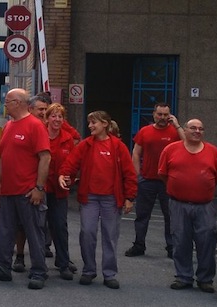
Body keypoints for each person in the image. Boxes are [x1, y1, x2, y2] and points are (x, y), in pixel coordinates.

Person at [0, 89, 49, 290]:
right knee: (5, 231)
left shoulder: (35, 126)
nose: (4, 104)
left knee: (34, 232)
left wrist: (39, 188)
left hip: (27, 191)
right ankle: (2, 267)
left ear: (18, 103)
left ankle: (38, 271)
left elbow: (45, 157)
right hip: (8, 191)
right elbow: (3, 156)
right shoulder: (9, 125)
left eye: (7, 101)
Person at [58, 110, 137, 289]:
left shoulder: (118, 146)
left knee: (110, 236)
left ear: (105, 124)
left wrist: (130, 197)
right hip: (90, 197)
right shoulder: (85, 145)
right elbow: (70, 163)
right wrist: (63, 174)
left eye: (94, 122)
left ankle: (109, 274)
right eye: (89, 123)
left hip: (111, 198)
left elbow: (129, 173)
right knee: (87, 233)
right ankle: (89, 270)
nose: (90, 126)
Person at [157, 119, 217, 294]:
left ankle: (205, 279)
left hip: (205, 206)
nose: (197, 131)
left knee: (207, 241)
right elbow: (162, 174)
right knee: (180, 240)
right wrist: (178, 187)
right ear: (184, 130)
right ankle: (183, 277)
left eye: (201, 128)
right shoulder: (170, 149)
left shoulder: (213, 151)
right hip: (178, 204)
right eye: (193, 128)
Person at [125, 103, 185, 258]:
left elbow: (187, 143)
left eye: (166, 115)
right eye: (160, 114)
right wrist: (137, 175)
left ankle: (171, 247)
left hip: (168, 181)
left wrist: (177, 126)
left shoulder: (175, 132)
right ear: (154, 114)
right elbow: (136, 153)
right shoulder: (145, 131)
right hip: (147, 180)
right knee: (142, 215)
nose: (163, 118)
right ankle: (139, 245)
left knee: (170, 216)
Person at [43, 103, 76, 280]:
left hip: (59, 190)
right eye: (54, 116)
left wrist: (66, 175)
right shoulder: (39, 134)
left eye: (60, 117)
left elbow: (70, 162)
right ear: (47, 118)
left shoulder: (68, 138)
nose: (57, 119)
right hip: (41, 188)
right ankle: (39, 265)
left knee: (60, 227)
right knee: (39, 227)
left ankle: (63, 263)